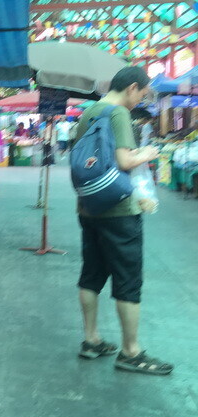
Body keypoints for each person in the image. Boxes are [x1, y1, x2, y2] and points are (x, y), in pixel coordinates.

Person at [72, 67, 171, 375]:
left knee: (91, 273)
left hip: (88, 207)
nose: (140, 100)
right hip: (118, 211)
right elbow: (125, 161)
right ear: (131, 88)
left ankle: (91, 340)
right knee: (128, 279)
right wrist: (148, 152)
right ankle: (131, 352)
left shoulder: (88, 113)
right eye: (142, 94)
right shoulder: (118, 115)